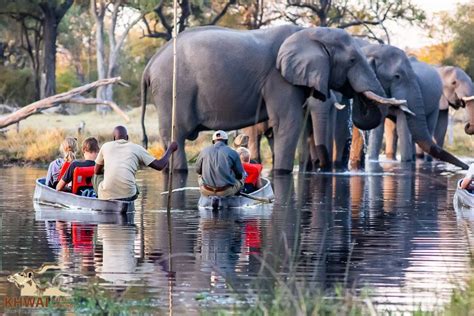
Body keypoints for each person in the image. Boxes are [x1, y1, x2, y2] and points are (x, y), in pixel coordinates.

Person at [93, 126, 177, 201]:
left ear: (114, 138)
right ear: (127, 137)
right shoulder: (137, 148)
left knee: (95, 176)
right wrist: (170, 149)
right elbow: (159, 165)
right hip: (129, 195)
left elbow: (96, 171)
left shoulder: (105, 146)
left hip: (107, 196)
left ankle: (98, 197)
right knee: (132, 181)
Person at [196, 130, 245, 197]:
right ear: (226, 141)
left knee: (199, 176)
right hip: (225, 191)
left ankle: (208, 196)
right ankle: (237, 195)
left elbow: (198, 170)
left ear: (213, 141)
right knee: (243, 177)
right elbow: (239, 175)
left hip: (207, 190)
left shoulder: (204, 151)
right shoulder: (233, 152)